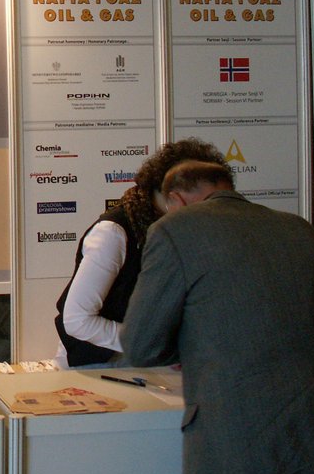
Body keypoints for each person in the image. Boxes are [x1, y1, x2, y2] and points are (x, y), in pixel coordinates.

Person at [122, 160, 314, 474]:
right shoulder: (299, 228)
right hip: (311, 432)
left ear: (176, 199)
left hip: (233, 437)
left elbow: (141, 345)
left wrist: (189, 346)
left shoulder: (175, 229)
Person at [54, 138, 225, 367]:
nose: (212, 210)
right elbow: (77, 321)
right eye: (207, 200)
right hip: (97, 362)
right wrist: (149, 344)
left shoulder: (180, 229)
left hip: (149, 359)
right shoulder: (114, 232)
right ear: (176, 195)